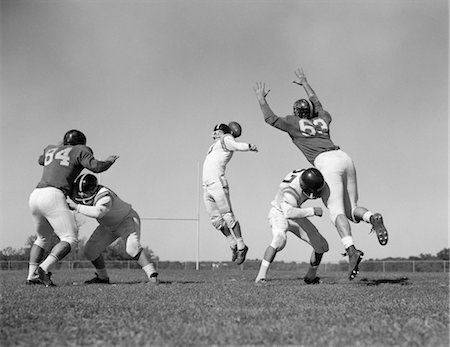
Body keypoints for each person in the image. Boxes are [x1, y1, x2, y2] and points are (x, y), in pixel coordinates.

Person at [254, 69, 388, 280]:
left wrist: (261, 100)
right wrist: (306, 83)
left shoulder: (292, 121)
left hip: (326, 163)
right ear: (311, 111)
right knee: (353, 211)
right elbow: (318, 103)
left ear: (297, 112)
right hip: (344, 157)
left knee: (337, 213)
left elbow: (270, 118)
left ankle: (351, 250)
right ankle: (373, 217)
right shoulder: (323, 119)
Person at [27, 129, 119, 286]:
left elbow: (41, 160)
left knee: (41, 238)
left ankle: (31, 276)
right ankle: (43, 269)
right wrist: (109, 161)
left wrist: (58, 148)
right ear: (82, 142)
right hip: (54, 194)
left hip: (35, 195)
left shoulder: (50, 148)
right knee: (70, 238)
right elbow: (96, 167)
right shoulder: (81, 150)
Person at [67, 173, 159, 284]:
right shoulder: (84, 193)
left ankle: (153, 276)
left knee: (132, 248)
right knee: (90, 251)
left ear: (93, 189)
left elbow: (99, 212)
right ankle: (102, 278)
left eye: (86, 192)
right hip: (108, 225)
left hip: (125, 220)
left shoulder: (104, 195)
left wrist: (77, 207)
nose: (82, 195)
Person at [255, 168, 329, 285]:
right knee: (279, 239)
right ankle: (260, 277)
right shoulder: (290, 191)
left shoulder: (308, 177)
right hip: (280, 213)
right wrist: (312, 210)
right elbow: (289, 213)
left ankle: (311, 277)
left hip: (296, 212)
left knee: (321, 245)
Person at [202, 122, 258, 265]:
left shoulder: (225, 140)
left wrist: (248, 146)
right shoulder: (213, 146)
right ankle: (232, 243)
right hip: (207, 186)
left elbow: (237, 145)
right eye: (214, 131)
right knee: (216, 220)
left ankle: (241, 246)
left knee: (228, 216)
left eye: (218, 131)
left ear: (224, 132)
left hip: (217, 183)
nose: (214, 133)